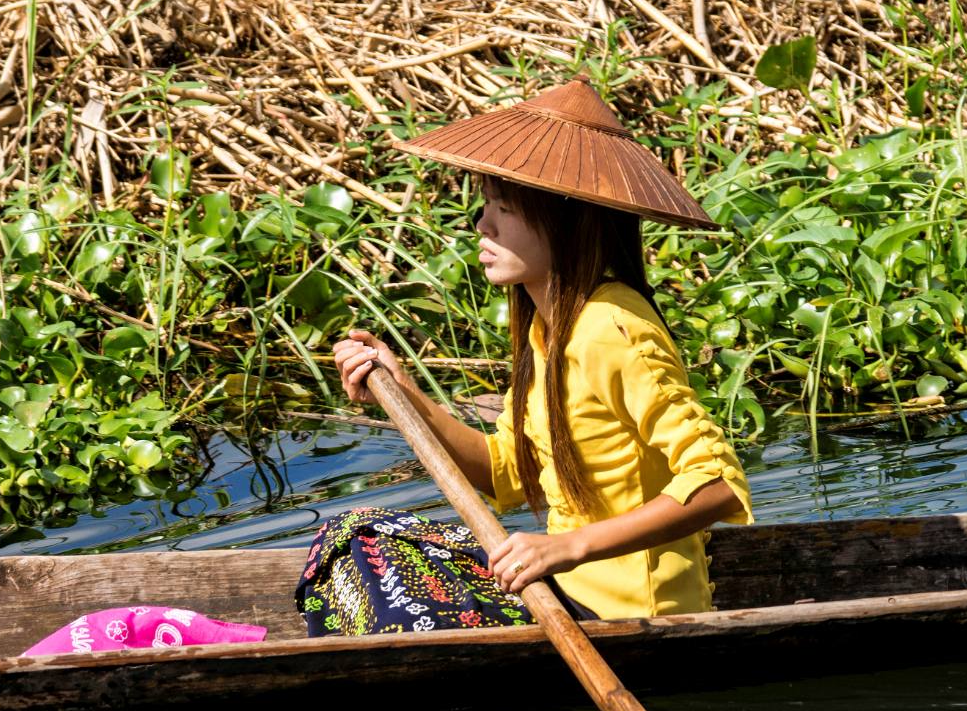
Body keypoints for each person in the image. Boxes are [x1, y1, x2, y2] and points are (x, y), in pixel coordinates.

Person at [322, 78, 752, 623]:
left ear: (567, 224)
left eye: (506, 208)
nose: (483, 224)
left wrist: (565, 548)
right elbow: (506, 472)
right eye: (486, 205)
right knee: (354, 535)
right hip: (560, 593)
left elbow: (718, 483)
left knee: (378, 574)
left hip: (628, 614)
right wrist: (407, 395)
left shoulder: (610, 329)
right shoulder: (546, 330)